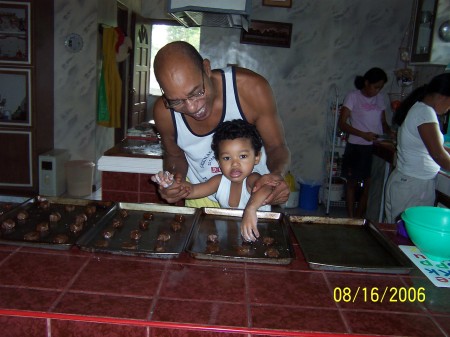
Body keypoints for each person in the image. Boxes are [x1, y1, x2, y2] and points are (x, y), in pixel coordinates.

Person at [152, 41, 291, 208]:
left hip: (254, 196)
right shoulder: (164, 112)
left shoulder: (250, 89)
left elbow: (276, 146)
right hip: (201, 196)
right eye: (176, 101)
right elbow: (174, 155)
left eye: (197, 93)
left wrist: (277, 176)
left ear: (206, 69)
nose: (192, 107)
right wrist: (175, 181)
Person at [152, 119, 277, 241]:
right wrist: (170, 183)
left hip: (262, 238)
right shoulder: (219, 181)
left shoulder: (252, 179)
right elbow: (192, 190)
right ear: (218, 161)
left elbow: (267, 188)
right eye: (227, 158)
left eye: (242, 156)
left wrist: (250, 210)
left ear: (257, 157)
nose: (235, 164)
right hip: (235, 239)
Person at [385, 73, 450, 223]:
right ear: (442, 96)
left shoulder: (422, 110)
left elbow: (437, 147)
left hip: (409, 183)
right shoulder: (424, 113)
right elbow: (438, 154)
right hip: (413, 186)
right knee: (405, 238)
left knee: (401, 235)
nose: (449, 108)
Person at [338, 67, 392, 218]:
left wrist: (391, 133)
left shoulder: (380, 98)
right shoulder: (353, 97)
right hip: (356, 146)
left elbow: (383, 122)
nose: (377, 91)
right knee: (352, 184)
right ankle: (350, 217)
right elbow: (342, 124)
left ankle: (359, 216)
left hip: (374, 147)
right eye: (375, 87)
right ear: (366, 83)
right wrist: (363, 134)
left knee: (369, 184)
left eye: (380, 88)